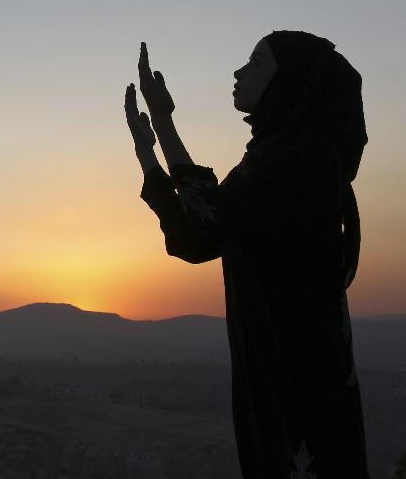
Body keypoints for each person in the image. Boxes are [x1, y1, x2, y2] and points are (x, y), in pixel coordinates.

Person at [125, 31, 371, 478]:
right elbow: (198, 238)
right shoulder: (273, 156)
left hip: (303, 389)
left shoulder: (304, 159)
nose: (240, 72)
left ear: (291, 80)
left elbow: (212, 219)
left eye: (257, 62)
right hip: (278, 385)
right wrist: (151, 146)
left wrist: (163, 127)